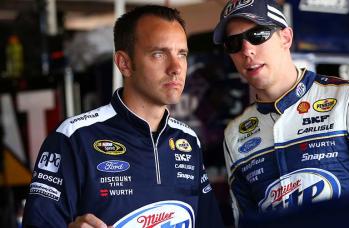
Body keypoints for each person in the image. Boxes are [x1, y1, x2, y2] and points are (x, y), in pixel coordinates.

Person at [23, 5, 224, 228]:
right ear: (124, 64)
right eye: (159, 54)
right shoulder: (74, 137)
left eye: (182, 54)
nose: (176, 67)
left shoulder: (187, 140)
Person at [213, 0, 349, 225]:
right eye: (233, 43)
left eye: (258, 35)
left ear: (286, 38)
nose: (247, 49)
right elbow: (245, 220)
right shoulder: (235, 134)